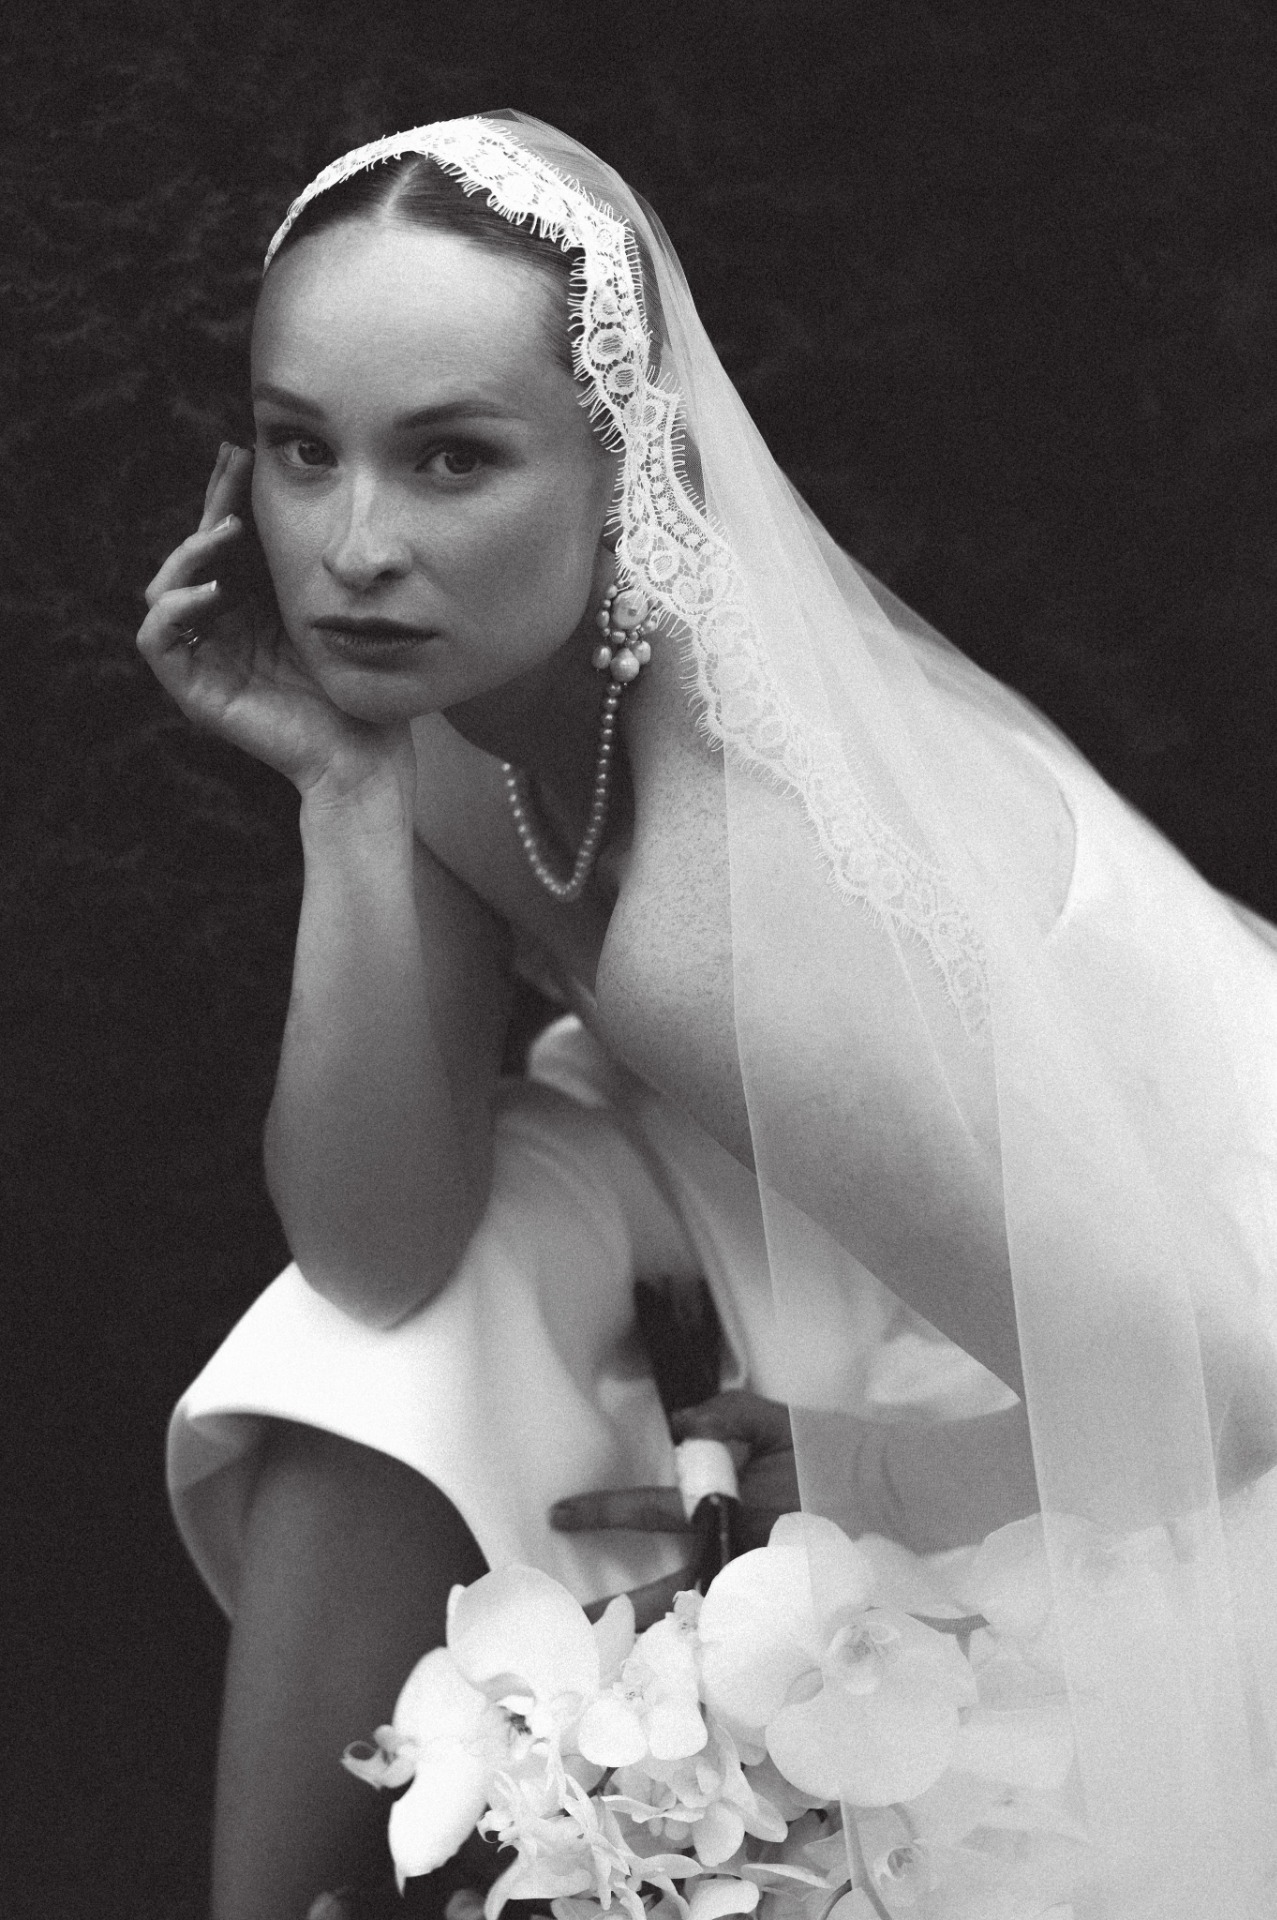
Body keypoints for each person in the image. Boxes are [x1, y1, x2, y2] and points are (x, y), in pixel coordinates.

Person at [139, 113, 1277, 1919]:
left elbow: (1219, 1391)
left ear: (626, 471)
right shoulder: (450, 724)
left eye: (450, 457)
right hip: (848, 1229)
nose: (353, 544)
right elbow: (375, 1253)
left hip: (1168, 1322)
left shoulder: (728, 907)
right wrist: (343, 801)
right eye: (301, 449)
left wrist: (839, 1477)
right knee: (411, 1320)